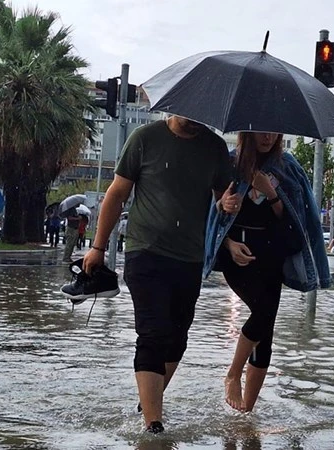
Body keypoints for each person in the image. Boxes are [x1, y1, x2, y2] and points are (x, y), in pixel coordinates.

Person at [81, 116, 233, 433]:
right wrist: (97, 247)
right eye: (188, 116)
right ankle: (153, 425)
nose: (195, 122)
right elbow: (117, 193)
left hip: (191, 257)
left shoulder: (215, 148)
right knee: (153, 333)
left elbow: (222, 201)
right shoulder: (144, 138)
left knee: (178, 339)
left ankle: (148, 399)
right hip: (145, 251)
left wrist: (230, 204)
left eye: (199, 118)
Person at [204, 132, 331, 413]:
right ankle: (233, 374)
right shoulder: (229, 164)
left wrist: (271, 193)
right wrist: (227, 234)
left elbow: (292, 221)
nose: (267, 137)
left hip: (272, 257)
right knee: (261, 313)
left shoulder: (287, 166)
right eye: (261, 131)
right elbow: (210, 214)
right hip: (237, 256)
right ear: (247, 132)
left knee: (266, 332)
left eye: (274, 133)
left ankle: (246, 414)